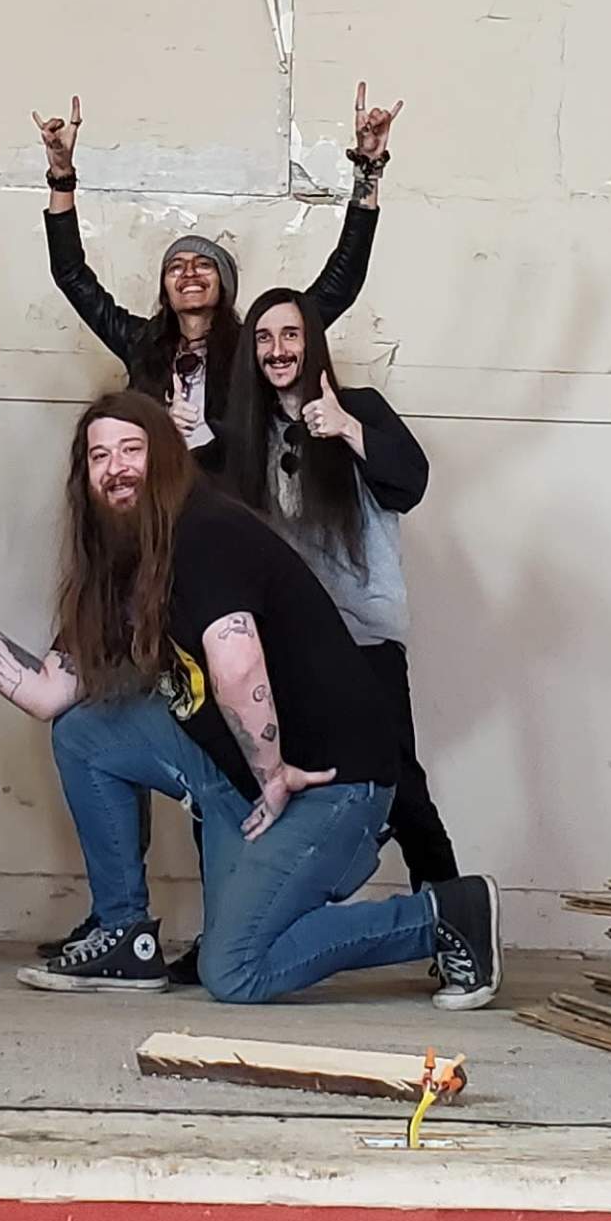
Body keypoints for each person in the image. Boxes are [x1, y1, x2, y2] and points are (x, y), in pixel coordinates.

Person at [0, 391, 498, 1010]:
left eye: (131, 449)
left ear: (166, 458)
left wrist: (273, 774)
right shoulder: (123, 560)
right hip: (243, 776)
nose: (115, 467)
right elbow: (49, 694)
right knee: (84, 731)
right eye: (99, 456)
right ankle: (124, 935)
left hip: (330, 784)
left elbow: (236, 661)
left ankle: (446, 914)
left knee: (234, 968)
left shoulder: (202, 530)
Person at [31, 86, 403, 469]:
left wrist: (368, 171)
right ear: (165, 290)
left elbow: (340, 284)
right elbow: (71, 274)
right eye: (176, 266)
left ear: (225, 283)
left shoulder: (254, 346)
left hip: (235, 507)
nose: (189, 271)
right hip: (155, 504)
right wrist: (62, 177)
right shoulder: (139, 341)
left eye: (204, 264)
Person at [229, 286, 457, 891]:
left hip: (364, 639)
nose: (278, 350)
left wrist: (348, 429)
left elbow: (411, 482)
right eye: (264, 338)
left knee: (401, 787)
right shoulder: (247, 436)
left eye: (291, 335)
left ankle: (455, 925)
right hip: (286, 648)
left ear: (313, 343)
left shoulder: (360, 407)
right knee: (270, 786)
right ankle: (256, 927)